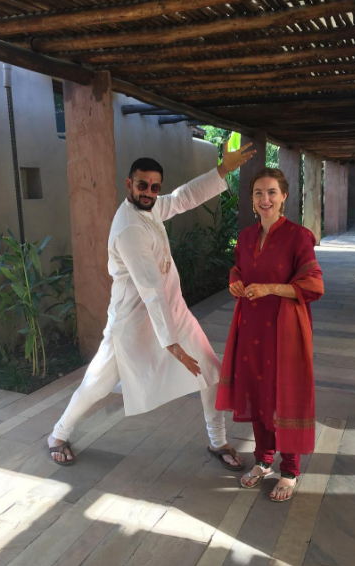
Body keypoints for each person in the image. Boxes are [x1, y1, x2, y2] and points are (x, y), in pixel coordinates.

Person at [48, 142, 256, 469]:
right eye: (142, 185)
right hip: (131, 321)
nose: (149, 192)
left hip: (172, 313)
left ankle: (218, 441)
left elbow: (183, 197)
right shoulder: (129, 227)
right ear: (129, 184)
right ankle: (58, 434)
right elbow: (151, 290)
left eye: (155, 187)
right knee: (97, 385)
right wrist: (172, 345)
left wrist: (222, 169)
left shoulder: (150, 208)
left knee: (210, 371)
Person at [216, 168, 324, 502]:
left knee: (283, 394)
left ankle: (290, 469)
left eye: (272, 192)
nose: (265, 199)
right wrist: (236, 282)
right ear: (252, 199)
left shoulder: (298, 236)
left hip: (284, 329)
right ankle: (264, 460)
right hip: (251, 326)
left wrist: (270, 288)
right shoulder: (246, 237)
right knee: (257, 389)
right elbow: (239, 268)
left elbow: (314, 284)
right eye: (259, 193)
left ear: (284, 196)